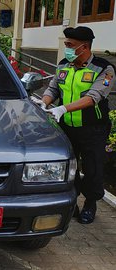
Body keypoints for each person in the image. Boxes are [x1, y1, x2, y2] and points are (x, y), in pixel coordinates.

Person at [42, 26, 115, 224]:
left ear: (85, 47)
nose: (67, 48)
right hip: (67, 127)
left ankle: (90, 204)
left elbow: (94, 97)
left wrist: (63, 108)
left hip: (93, 129)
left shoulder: (104, 69)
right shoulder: (64, 64)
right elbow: (53, 88)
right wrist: (44, 102)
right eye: (66, 44)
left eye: (70, 45)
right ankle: (71, 203)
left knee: (92, 169)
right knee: (69, 168)